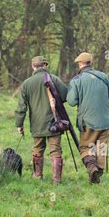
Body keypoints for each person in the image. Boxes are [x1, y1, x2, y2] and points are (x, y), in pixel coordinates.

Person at [67, 52, 109, 184]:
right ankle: (97, 174)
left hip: (88, 122)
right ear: (91, 63)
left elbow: (71, 101)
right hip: (106, 122)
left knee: (85, 148)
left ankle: (92, 168)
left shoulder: (77, 80)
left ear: (80, 64)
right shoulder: (103, 76)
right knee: (101, 148)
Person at [15, 56, 68, 184]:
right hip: (54, 123)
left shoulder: (26, 83)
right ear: (45, 65)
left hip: (37, 124)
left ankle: (38, 176)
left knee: (37, 149)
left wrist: (19, 124)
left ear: (33, 67)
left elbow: (22, 107)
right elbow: (66, 96)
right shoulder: (54, 79)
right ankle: (56, 180)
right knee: (55, 149)